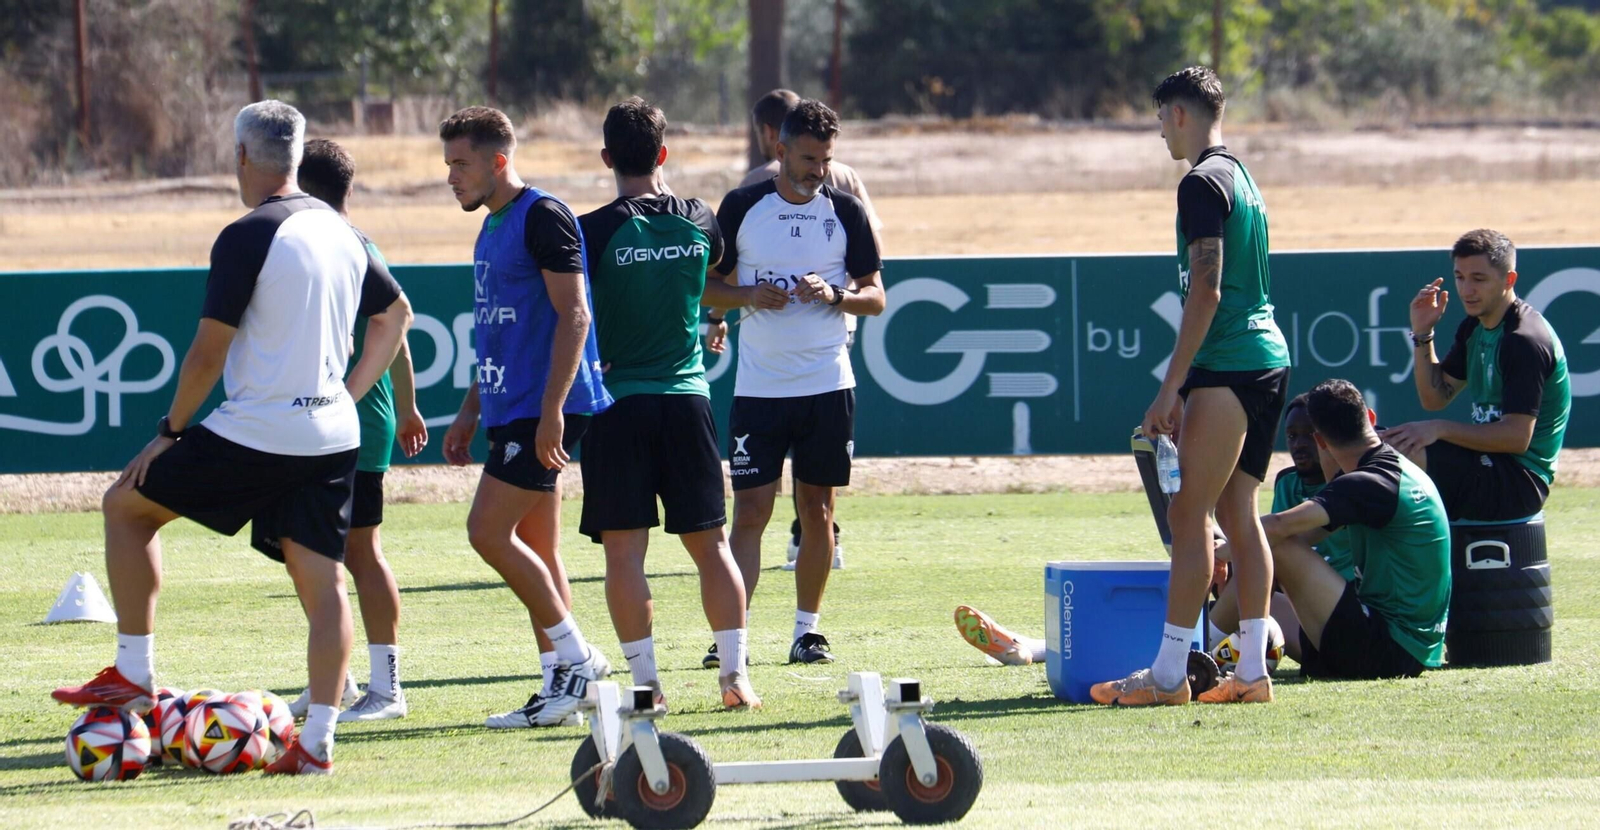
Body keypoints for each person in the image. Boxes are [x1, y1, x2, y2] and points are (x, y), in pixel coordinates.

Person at [52, 101, 412, 775]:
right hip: (332, 434)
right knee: (324, 583)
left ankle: (134, 674)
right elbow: (397, 315)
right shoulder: (341, 230)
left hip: (260, 428)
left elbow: (206, 356)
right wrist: (345, 394)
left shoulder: (248, 234)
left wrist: (170, 431)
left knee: (126, 507)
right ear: (298, 157)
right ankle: (317, 743)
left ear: (243, 157)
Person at [1092, 66, 1291, 706]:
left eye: (1158, 119)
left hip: (1231, 363)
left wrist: (1169, 388)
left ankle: (1169, 675)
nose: (1159, 134)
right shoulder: (1244, 176)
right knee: (1237, 513)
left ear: (1179, 114)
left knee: (1188, 516)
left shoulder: (1201, 182)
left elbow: (1205, 290)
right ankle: (1253, 673)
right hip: (1265, 358)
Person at [577, 98, 776, 709]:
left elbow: (571, 309)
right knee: (711, 545)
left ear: (607, 157)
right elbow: (704, 280)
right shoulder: (699, 218)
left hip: (617, 404)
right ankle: (735, 676)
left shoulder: (591, 230)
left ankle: (647, 686)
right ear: (663, 153)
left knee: (624, 552)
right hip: (688, 400)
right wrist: (739, 300)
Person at [437, 106, 614, 728]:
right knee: (540, 548)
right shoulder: (490, 226)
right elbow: (496, 330)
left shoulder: (543, 215)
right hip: (510, 405)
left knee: (486, 533)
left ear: (498, 161)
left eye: (462, 163)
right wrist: (467, 411)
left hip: (546, 408)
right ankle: (559, 688)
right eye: (449, 164)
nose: (452, 176)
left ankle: (579, 658)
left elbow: (575, 315)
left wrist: (551, 413)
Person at [953, 394, 1344, 668]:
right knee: (1192, 603)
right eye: (1291, 436)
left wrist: (1229, 555)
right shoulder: (1291, 481)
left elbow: (1283, 542)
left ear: (1328, 436)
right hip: (1294, 606)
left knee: (1218, 613)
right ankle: (1043, 649)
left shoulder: (1349, 485)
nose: (1298, 445)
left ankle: (1046, 650)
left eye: (1308, 435)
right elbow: (1268, 550)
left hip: (1328, 621)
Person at [709, 99, 885, 667]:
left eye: (827, 160)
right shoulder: (740, 206)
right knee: (751, 514)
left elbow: (876, 297)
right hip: (759, 390)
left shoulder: (847, 212)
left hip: (827, 386)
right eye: (809, 159)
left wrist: (836, 296)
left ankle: (807, 632)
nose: (818, 171)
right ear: (779, 151)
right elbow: (705, 289)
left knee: (818, 511)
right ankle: (730, 638)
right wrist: (746, 297)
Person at [285, 138, 428, 722]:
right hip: (334, 422)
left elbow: (397, 321)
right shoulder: (341, 245)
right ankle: (336, 680)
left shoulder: (346, 246)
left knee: (361, 553)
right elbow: (395, 334)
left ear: (307, 189)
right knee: (312, 553)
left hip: (353, 427)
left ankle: (387, 688)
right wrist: (412, 408)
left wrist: (380, 406)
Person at [1257, 380, 1451, 679]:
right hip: (1404, 644)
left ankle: (1200, 641)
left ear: (1320, 442)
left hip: (1391, 650)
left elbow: (1280, 527)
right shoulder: (1391, 469)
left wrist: (1215, 551)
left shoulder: (1367, 482)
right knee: (1261, 567)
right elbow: (1302, 539)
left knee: (1275, 542)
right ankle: (1207, 638)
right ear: (1371, 418)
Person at [1386, 229, 1571, 522]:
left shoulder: (1523, 340)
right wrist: (1423, 334)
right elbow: (1434, 398)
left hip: (1518, 481)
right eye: (1460, 277)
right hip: (1485, 464)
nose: (1466, 290)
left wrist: (1439, 429)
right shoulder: (1474, 327)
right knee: (1359, 444)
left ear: (1509, 280)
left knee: (1384, 460)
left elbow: (1516, 438)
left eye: (1478, 279)